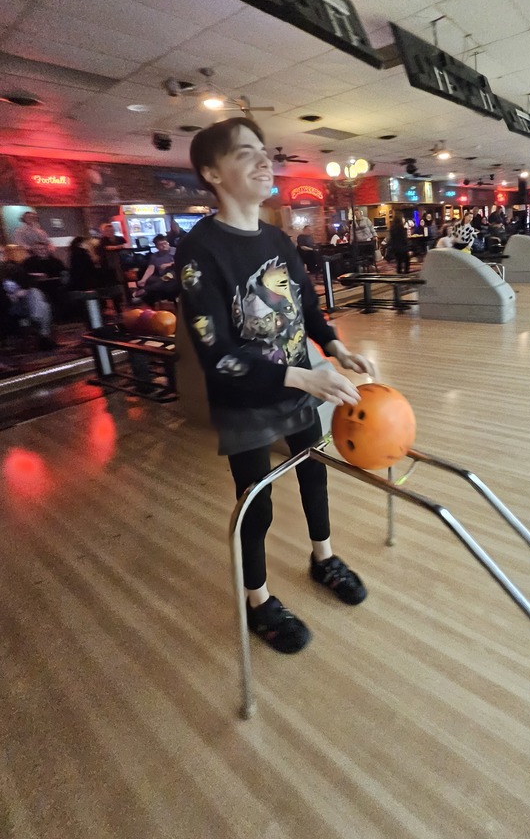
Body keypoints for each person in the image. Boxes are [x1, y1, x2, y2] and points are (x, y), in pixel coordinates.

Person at [176, 116, 375, 654]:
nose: (266, 161)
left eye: (265, 151)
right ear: (213, 173)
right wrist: (301, 374)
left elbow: (306, 305)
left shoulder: (276, 238)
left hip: (297, 386)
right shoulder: (200, 253)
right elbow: (216, 354)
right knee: (255, 505)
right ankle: (258, 599)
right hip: (245, 400)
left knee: (315, 477)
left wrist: (334, 346)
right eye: (246, 153)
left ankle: (323, 558)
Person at [0, 245, 57, 349]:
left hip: (22, 302)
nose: (2, 256)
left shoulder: (13, 268)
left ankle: (41, 329)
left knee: (36, 294)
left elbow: (28, 282)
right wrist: (9, 296)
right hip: (6, 306)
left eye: (3, 253)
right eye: (0, 253)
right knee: (43, 305)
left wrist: (23, 290)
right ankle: (44, 335)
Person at [135, 234, 179, 304]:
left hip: (174, 275)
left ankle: (145, 291)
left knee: (168, 277)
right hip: (161, 276)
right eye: (160, 244)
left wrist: (168, 264)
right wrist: (143, 279)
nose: (164, 246)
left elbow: (180, 262)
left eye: (165, 243)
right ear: (157, 247)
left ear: (168, 243)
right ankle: (151, 302)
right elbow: (150, 268)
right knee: (150, 280)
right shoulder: (155, 256)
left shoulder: (176, 251)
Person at [96, 222, 128, 316]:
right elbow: (105, 248)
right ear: (104, 232)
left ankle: (126, 301)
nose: (110, 232)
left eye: (111, 230)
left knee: (123, 283)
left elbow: (126, 246)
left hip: (121, 265)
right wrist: (118, 247)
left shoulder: (120, 238)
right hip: (109, 268)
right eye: (107, 231)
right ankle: (118, 305)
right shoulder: (103, 241)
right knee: (114, 286)